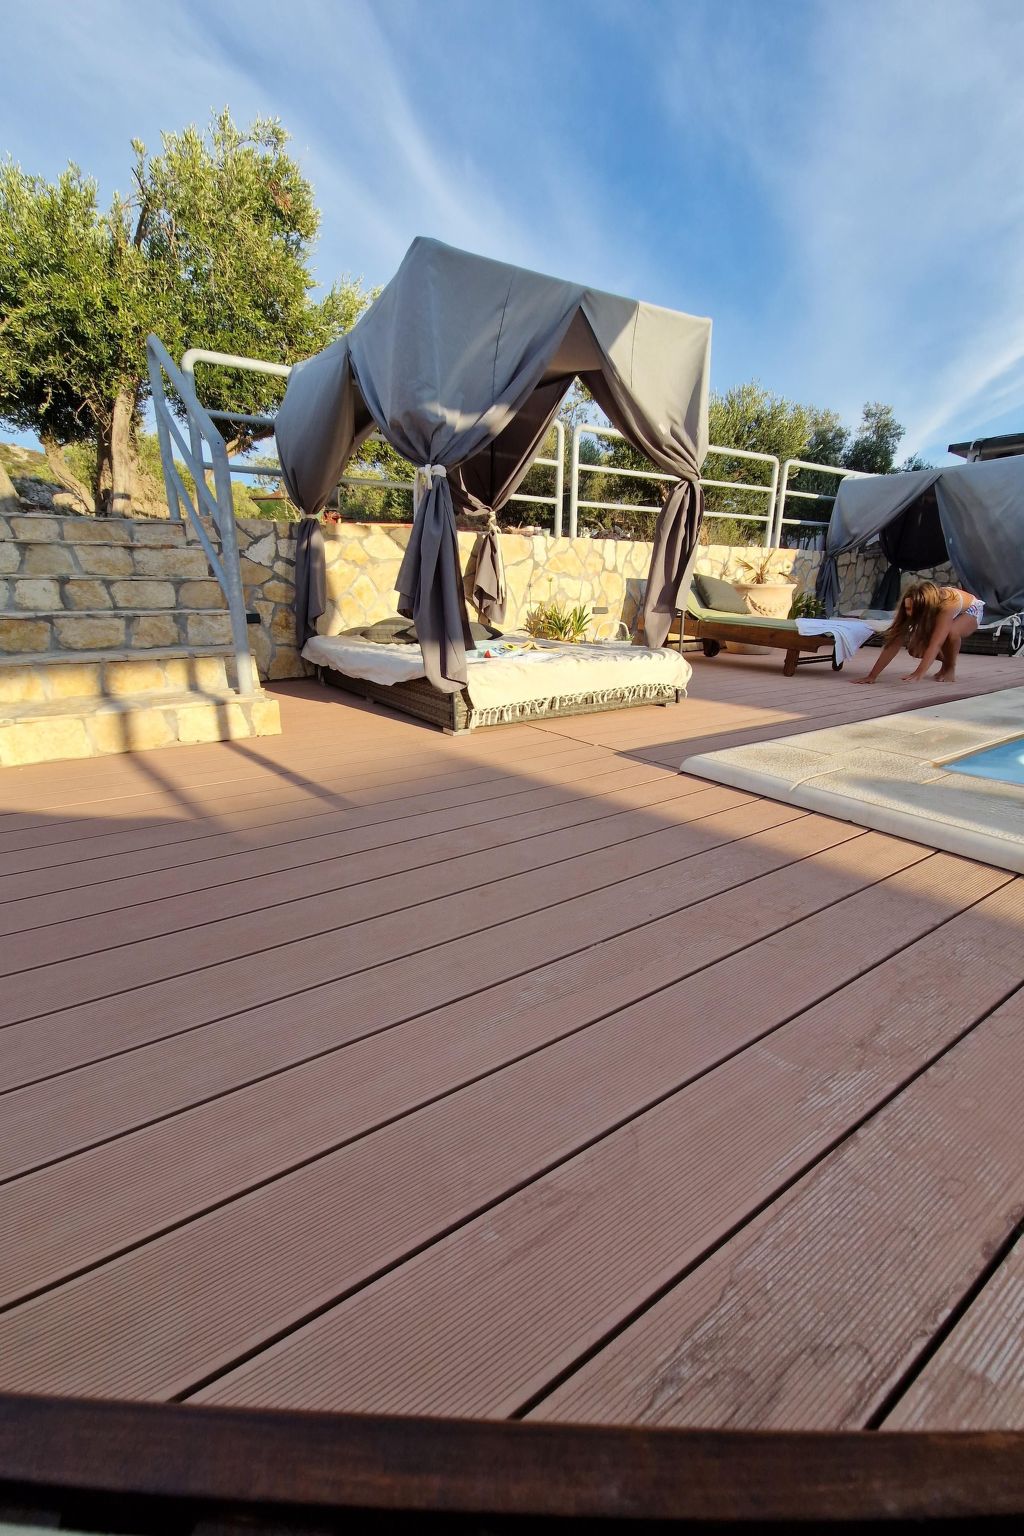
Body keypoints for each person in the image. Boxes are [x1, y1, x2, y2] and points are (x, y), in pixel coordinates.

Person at [853, 580, 983, 685]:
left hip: (970, 609)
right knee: (916, 648)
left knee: (951, 633)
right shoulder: (912, 608)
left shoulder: (946, 605)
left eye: (912, 609)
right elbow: (894, 642)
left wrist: (919, 672)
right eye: (907, 608)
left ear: (923, 607)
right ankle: (946, 662)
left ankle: (950, 668)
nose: (909, 613)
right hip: (937, 612)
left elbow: (936, 643)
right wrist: (872, 676)